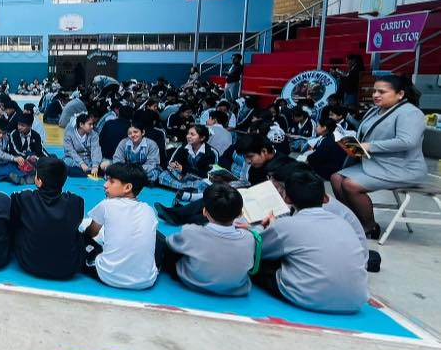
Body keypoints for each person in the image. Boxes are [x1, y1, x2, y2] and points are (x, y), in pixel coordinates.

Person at [254, 170, 369, 314]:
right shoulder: (343, 222)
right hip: (355, 301)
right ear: (325, 198)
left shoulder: (287, 225)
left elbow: (257, 249)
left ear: (287, 198)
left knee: (258, 262)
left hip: (308, 298)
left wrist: (262, 227)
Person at [331, 75, 429, 240]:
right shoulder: (375, 110)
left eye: (382, 92)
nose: (376, 95)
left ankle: (370, 227)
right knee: (335, 178)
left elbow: (407, 141)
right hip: (376, 164)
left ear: (400, 94)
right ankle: (355, 220)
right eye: (374, 91)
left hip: (403, 168)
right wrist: (351, 142)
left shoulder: (411, 113)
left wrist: (370, 146)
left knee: (350, 185)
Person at [157, 184, 255, 296]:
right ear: (240, 214)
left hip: (193, 281)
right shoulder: (249, 238)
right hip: (235, 289)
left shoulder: (192, 232)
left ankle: (178, 213)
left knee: (164, 243)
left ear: (204, 212)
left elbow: (170, 243)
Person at [81, 162, 158, 290]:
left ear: (127, 187)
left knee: (80, 238)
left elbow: (92, 233)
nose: (105, 185)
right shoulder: (149, 210)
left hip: (109, 276)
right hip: (147, 280)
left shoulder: (107, 205)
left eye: (111, 181)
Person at [9, 156, 85, 280]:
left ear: (38, 181)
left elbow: (13, 222)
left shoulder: (24, 199)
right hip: (68, 267)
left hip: (29, 263)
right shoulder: (76, 202)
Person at [157, 124, 216, 196]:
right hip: (182, 176)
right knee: (163, 175)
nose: (188, 136)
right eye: (188, 134)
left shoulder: (210, 152)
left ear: (202, 138)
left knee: (204, 184)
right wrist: (175, 166)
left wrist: (184, 169)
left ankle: (183, 189)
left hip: (199, 178)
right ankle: (187, 190)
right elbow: (171, 162)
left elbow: (209, 175)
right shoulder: (183, 147)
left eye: (192, 134)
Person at [63, 113, 105, 178]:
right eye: (89, 124)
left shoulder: (94, 135)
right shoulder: (69, 134)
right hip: (74, 159)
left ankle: (87, 171)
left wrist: (95, 166)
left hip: (89, 159)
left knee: (105, 164)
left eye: (92, 124)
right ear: (81, 124)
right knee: (66, 162)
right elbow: (70, 151)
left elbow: (96, 150)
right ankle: (87, 171)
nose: (92, 126)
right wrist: (81, 163)